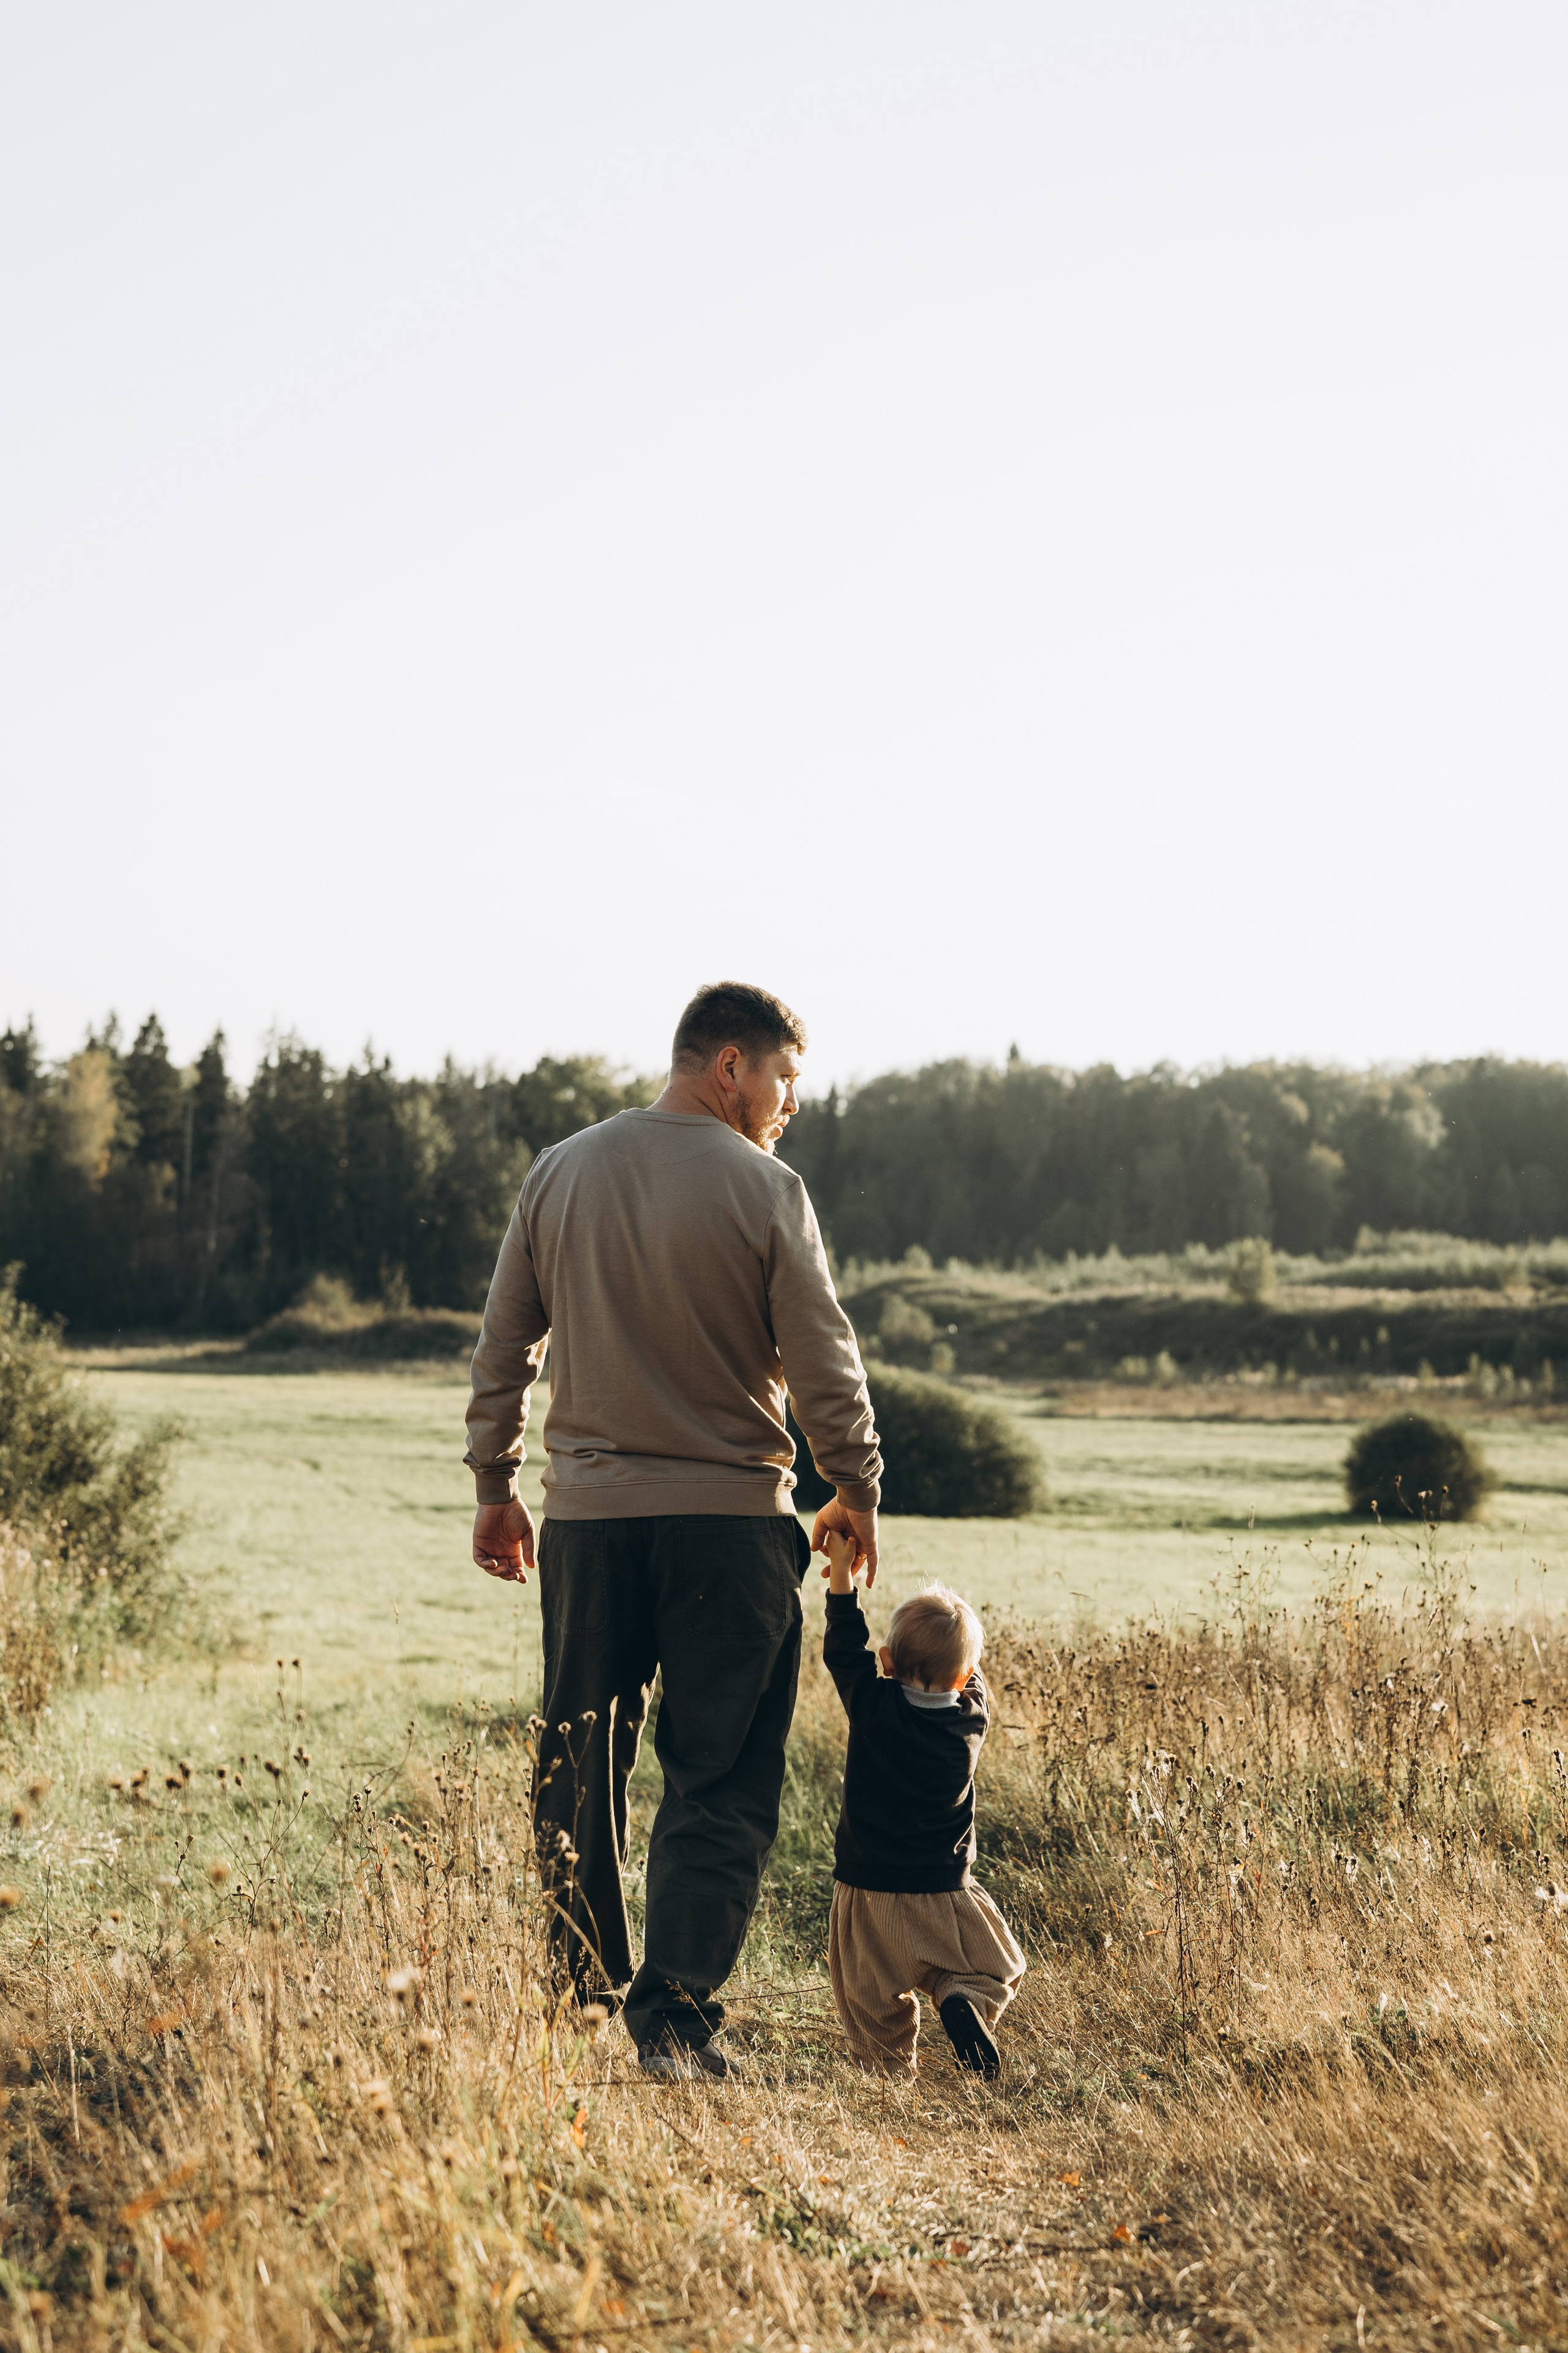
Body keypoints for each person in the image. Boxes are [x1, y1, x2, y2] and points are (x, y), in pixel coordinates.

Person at [464, 981, 881, 2079]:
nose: (794, 1104)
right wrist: (856, 1486)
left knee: (579, 1758)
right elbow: (826, 1361)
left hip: (592, 1528)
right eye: (787, 1079)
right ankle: (676, 2019)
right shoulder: (767, 1188)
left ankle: (583, 1996)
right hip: (730, 1525)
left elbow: (506, 1345)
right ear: (731, 1065)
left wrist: (494, 1483)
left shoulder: (560, 1170)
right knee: (724, 1772)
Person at [820, 1530, 1025, 2078]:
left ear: (886, 1661)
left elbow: (843, 1647)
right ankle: (961, 1996)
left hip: (867, 1889)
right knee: (992, 1968)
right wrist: (962, 1656)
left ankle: (887, 2079)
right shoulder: (970, 1720)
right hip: (941, 1889)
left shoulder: (873, 1704)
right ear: (965, 1676)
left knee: (871, 2005)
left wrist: (842, 1572)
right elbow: (969, 1678)